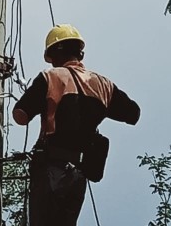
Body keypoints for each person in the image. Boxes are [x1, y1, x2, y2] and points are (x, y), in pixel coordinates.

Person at [12, 24, 140, 226]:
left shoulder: (50, 77)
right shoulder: (104, 85)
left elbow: (20, 116)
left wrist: (40, 99)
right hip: (78, 175)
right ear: (80, 52)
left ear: (56, 52)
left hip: (51, 169)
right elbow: (133, 113)